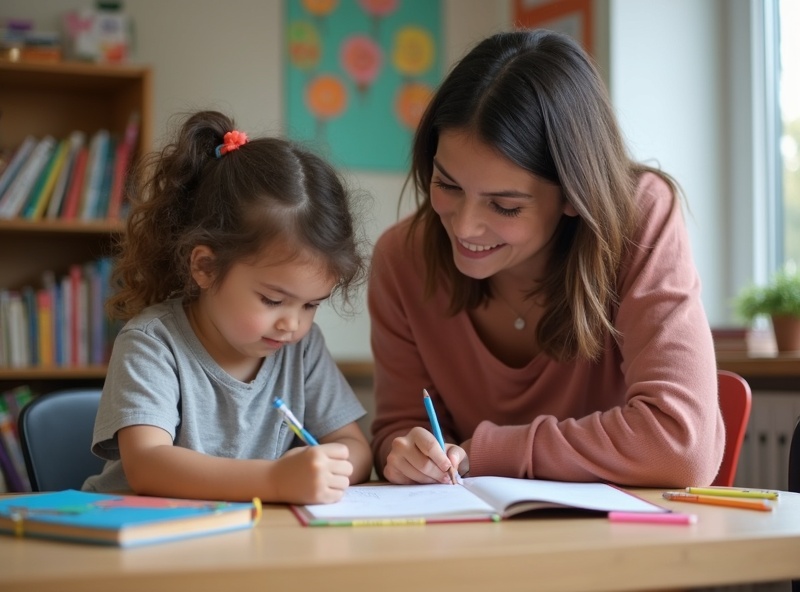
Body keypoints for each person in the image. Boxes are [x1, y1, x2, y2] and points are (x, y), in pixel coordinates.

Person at [368, 30, 724, 488]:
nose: (464, 227)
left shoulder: (638, 218)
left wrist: (487, 452)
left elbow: (680, 446)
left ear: (574, 196)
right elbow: (397, 429)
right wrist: (404, 455)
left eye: (505, 205)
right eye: (447, 185)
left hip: (622, 548)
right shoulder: (402, 258)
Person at [83, 110, 372, 504]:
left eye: (312, 305)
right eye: (273, 300)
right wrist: (274, 480)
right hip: (134, 542)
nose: (293, 323)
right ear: (205, 267)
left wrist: (329, 467)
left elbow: (354, 447)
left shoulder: (301, 349)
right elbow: (147, 465)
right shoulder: (152, 343)